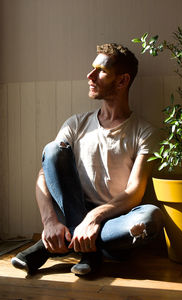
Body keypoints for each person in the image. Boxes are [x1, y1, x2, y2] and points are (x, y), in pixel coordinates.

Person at [11, 43, 163, 276]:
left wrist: (93, 219)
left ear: (122, 81)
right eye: (92, 68)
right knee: (53, 149)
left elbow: (134, 192)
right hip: (75, 209)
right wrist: (50, 222)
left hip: (112, 220)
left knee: (149, 218)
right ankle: (89, 251)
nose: (89, 76)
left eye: (100, 71)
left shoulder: (145, 132)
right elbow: (45, 173)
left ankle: (60, 245)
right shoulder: (76, 124)